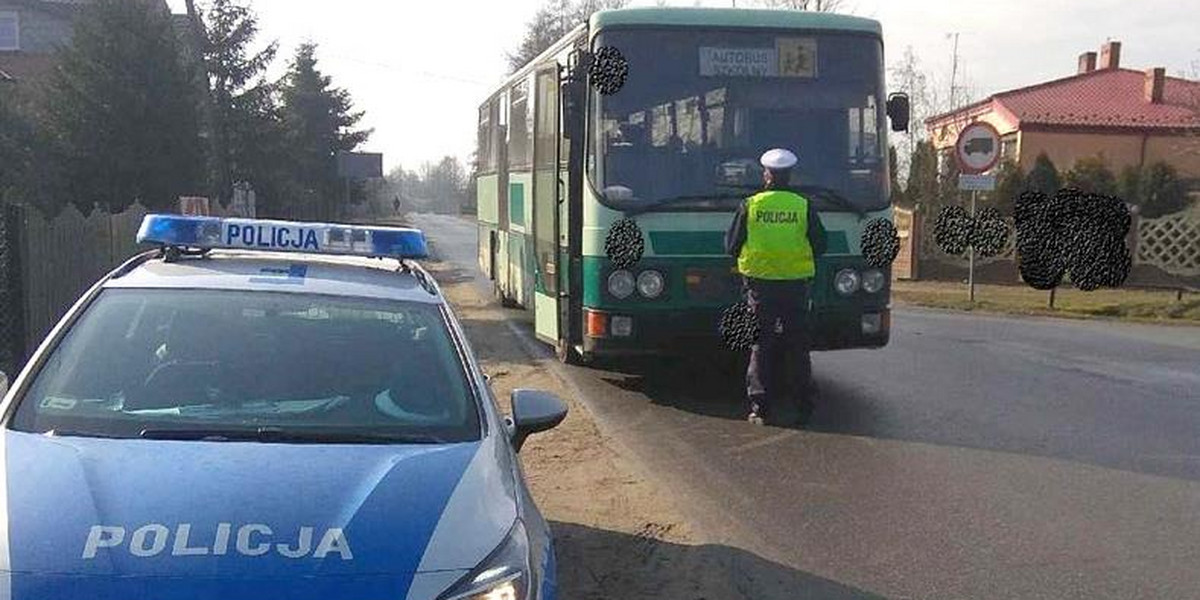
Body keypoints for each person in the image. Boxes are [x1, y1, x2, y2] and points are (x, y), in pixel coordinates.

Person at [724, 148, 827, 426]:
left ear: (767, 175)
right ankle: (803, 406)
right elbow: (821, 244)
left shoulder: (751, 205)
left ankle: (760, 408)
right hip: (796, 287)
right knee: (797, 347)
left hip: (760, 288)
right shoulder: (803, 206)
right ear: (789, 176)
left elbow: (731, 245)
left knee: (761, 346)